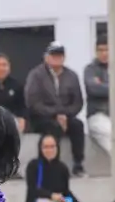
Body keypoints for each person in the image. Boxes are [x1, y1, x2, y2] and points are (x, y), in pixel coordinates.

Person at [25, 42, 86, 176]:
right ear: (46, 57)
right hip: (41, 118)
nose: (56, 58)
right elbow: (33, 102)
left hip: (66, 116)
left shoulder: (72, 76)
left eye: (59, 55)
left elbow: (78, 102)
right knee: (53, 127)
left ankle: (78, 164)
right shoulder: (36, 75)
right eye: (53, 55)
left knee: (77, 125)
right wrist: (56, 114)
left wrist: (64, 114)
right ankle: (52, 166)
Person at [24, 134, 77, 202]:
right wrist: (51, 195)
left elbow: (66, 191)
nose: (49, 150)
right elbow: (32, 189)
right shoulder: (34, 166)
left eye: (52, 146)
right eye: (46, 147)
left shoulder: (62, 168)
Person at [84, 36, 111, 154]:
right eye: (100, 50)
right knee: (112, 136)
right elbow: (94, 89)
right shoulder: (90, 69)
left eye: (107, 49)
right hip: (98, 115)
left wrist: (103, 85)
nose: (104, 53)